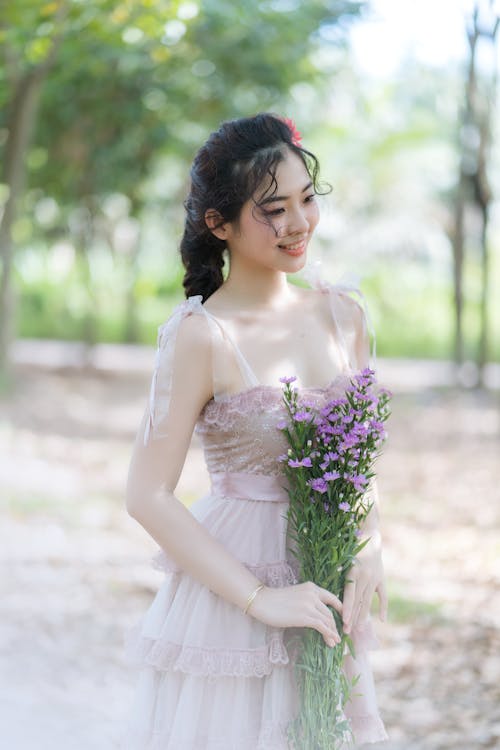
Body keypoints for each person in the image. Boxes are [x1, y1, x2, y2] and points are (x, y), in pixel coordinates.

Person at [121, 112, 389, 749]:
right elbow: (146, 494)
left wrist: (371, 543)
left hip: (327, 581)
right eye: (273, 208)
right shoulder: (199, 334)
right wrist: (259, 599)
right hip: (235, 594)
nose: (299, 224)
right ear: (219, 224)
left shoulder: (341, 313)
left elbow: (361, 462)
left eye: (306, 199)